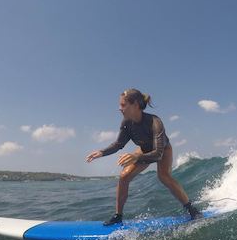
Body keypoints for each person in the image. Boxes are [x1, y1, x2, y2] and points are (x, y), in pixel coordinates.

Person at [86, 88, 202, 226]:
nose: (119, 108)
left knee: (163, 176)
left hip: (163, 150)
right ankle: (118, 216)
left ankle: (191, 209)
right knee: (124, 176)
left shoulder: (155, 122)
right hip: (143, 149)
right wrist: (102, 152)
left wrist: (136, 158)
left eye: (123, 105)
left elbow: (158, 153)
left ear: (135, 104)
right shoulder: (126, 123)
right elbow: (118, 144)